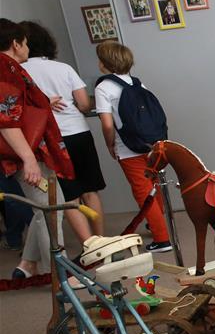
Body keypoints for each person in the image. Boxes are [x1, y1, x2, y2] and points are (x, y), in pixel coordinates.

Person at [0, 19, 75, 279]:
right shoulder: (5, 69)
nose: (28, 47)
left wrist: (43, 103)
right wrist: (29, 159)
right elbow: (7, 121)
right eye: (25, 42)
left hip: (24, 152)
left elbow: (16, 109)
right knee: (51, 209)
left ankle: (27, 264)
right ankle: (60, 274)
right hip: (24, 153)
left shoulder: (9, 68)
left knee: (47, 207)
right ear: (15, 43)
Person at [21, 21, 105, 236]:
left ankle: (89, 247)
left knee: (68, 195)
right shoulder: (64, 68)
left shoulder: (19, 72)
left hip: (50, 139)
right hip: (79, 132)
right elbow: (85, 104)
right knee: (90, 190)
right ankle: (103, 242)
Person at [94, 42, 171, 252]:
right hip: (153, 145)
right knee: (155, 187)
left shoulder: (103, 88)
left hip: (129, 149)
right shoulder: (137, 83)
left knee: (142, 192)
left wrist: (110, 144)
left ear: (104, 64)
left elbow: (108, 124)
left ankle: (162, 238)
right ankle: (159, 223)